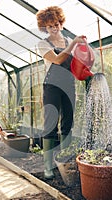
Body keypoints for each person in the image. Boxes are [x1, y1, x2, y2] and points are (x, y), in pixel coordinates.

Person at [36, 6, 87, 179]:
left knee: (67, 124)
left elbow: (78, 64)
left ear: (61, 23)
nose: (54, 27)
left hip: (68, 85)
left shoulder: (68, 41)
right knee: (50, 125)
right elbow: (58, 60)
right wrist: (74, 43)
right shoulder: (43, 44)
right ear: (45, 27)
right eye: (50, 26)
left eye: (56, 23)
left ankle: (65, 162)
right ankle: (48, 166)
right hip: (51, 86)